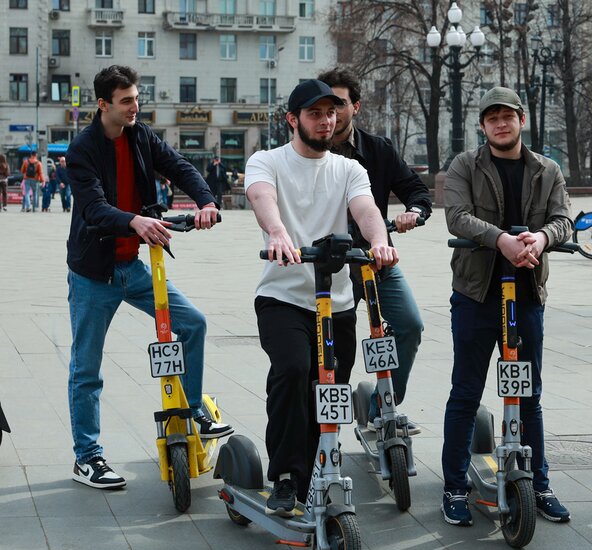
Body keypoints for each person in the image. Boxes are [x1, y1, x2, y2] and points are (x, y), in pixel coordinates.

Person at [65, 65, 233, 490]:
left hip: (136, 269)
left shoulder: (141, 136)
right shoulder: (82, 150)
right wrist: (136, 222)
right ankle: (87, 458)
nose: (135, 106)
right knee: (87, 369)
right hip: (93, 274)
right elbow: (93, 209)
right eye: (126, 101)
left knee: (192, 323)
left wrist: (206, 200)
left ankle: (193, 409)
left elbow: (178, 166)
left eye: (137, 98)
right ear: (103, 104)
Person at [245, 79, 397, 516]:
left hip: (338, 301)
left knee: (329, 388)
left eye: (331, 112)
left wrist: (379, 242)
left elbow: (366, 209)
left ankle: (315, 465)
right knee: (292, 370)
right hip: (282, 296)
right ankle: (287, 476)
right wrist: (277, 232)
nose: (326, 120)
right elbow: (261, 196)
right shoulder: (267, 160)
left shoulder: (348, 169)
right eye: (315, 113)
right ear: (293, 120)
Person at [442, 87, 573, 526]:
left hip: (528, 293)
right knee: (466, 392)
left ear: (521, 119)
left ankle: (539, 484)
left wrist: (540, 239)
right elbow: (456, 216)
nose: (501, 123)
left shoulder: (546, 169)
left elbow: (564, 219)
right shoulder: (465, 164)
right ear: (483, 126)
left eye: (508, 116)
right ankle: (455, 488)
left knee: (528, 394)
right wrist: (501, 239)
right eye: (492, 118)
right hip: (477, 294)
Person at [318, 68, 432, 433]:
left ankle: (382, 406)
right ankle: (326, 421)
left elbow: (415, 189)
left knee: (410, 325)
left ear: (356, 106)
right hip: (329, 269)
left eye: (339, 104)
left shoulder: (378, 150)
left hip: (376, 260)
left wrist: (414, 212)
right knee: (335, 345)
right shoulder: (310, 152)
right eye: (325, 105)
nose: (331, 113)